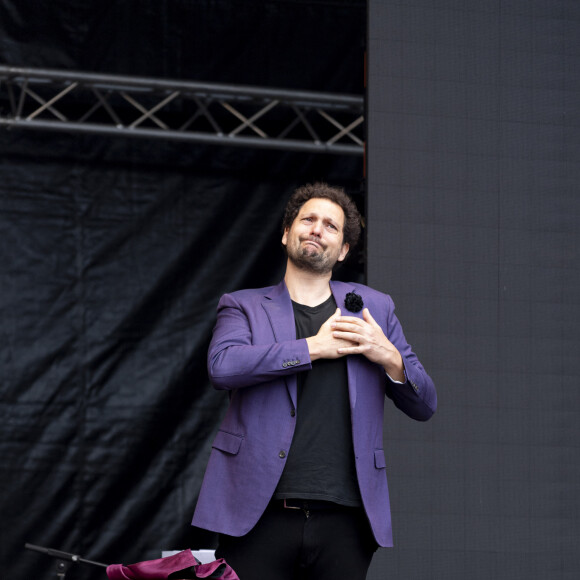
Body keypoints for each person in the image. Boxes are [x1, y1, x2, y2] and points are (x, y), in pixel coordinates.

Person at [192, 182, 437, 580]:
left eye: (330, 225)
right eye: (307, 219)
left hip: (346, 516)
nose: (316, 228)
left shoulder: (375, 308)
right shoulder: (243, 305)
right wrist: (312, 348)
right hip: (258, 511)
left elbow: (425, 404)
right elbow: (223, 366)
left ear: (342, 251)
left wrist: (388, 355)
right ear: (287, 233)